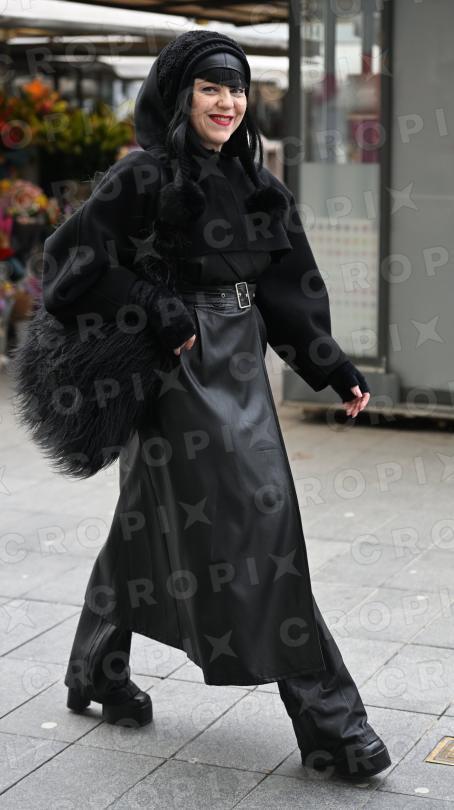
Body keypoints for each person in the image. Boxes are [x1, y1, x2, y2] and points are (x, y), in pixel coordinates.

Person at [42, 30, 390, 780]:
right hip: (177, 375)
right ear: (179, 97)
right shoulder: (141, 177)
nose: (228, 102)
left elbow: (285, 290)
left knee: (145, 519)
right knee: (262, 528)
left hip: (242, 366)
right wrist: (153, 304)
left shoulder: (258, 185)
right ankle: (334, 723)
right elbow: (71, 264)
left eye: (236, 89)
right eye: (210, 87)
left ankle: (94, 669)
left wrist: (330, 365)